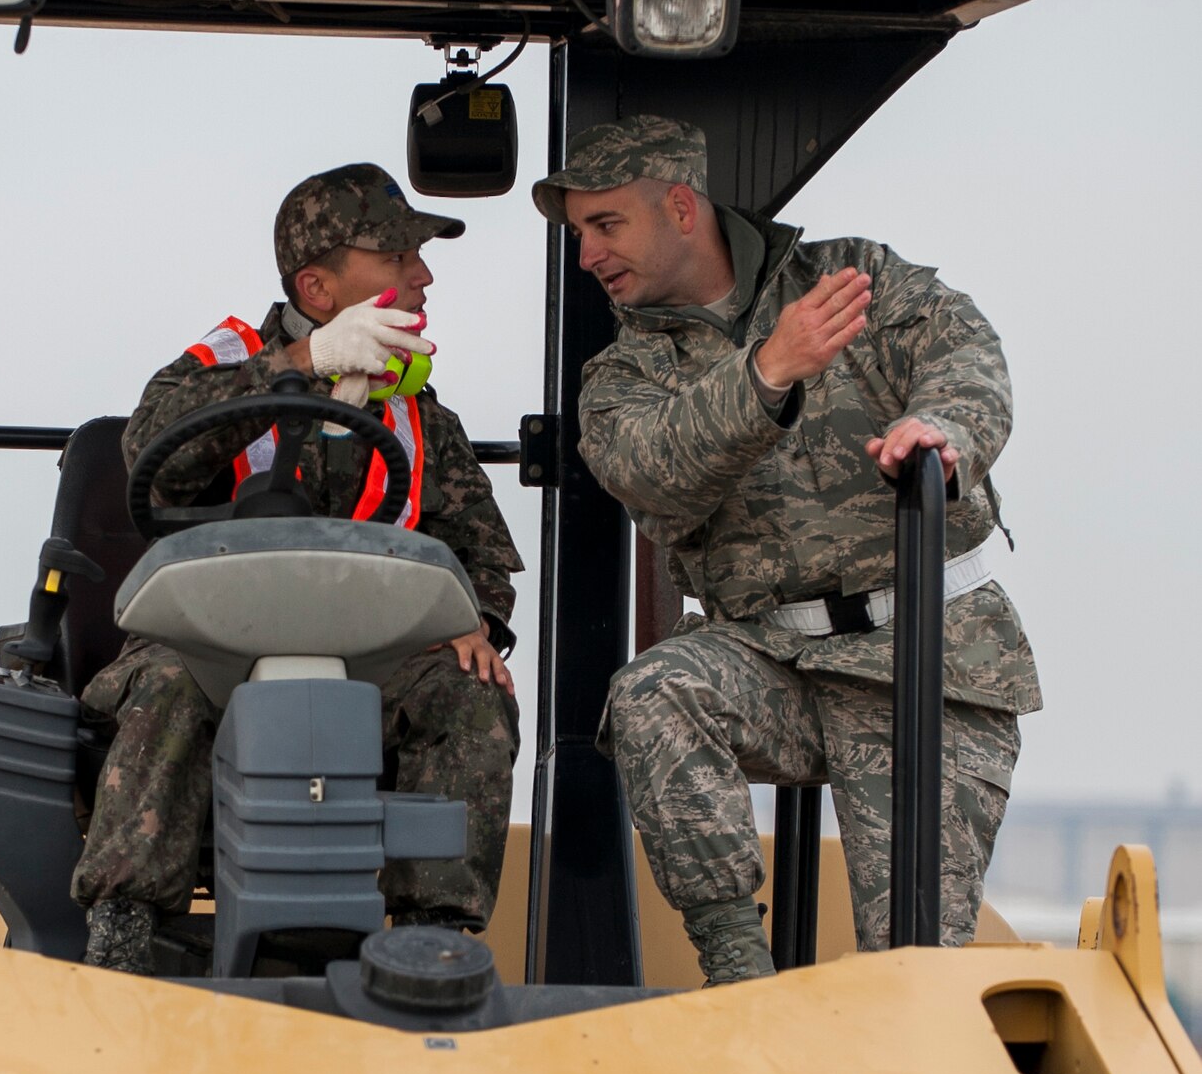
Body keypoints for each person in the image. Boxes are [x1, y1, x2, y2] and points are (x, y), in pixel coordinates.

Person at [531, 116, 1040, 985]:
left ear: (681, 208)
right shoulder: (622, 375)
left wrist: (942, 430)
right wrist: (767, 369)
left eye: (604, 225)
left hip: (928, 663)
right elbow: (652, 476)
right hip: (771, 662)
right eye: (578, 232)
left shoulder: (850, 279)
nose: (586, 257)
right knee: (653, 692)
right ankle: (738, 974)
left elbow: (963, 350)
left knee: (909, 972)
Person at [75, 162, 522, 973]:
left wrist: (478, 625)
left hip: (372, 665)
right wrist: (300, 364)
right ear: (318, 288)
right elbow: (151, 451)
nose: (422, 277)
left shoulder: (420, 411)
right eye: (395, 260)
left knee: (470, 695)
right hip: (212, 654)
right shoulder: (218, 365)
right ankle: (122, 933)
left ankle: (432, 943)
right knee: (164, 687)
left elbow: (480, 547)